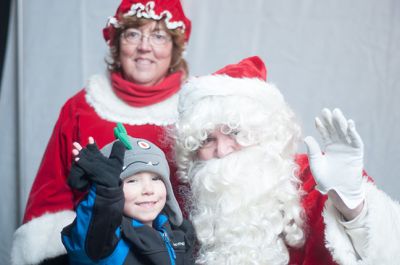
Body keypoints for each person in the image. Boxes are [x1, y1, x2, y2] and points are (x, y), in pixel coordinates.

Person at [11, 0, 191, 264]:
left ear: (174, 49)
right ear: (117, 45)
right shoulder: (81, 108)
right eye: (133, 34)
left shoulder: (194, 111)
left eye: (159, 35)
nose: (144, 46)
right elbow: (51, 191)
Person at [174, 56, 400, 265]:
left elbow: (390, 256)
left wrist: (354, 210)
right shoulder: (185, 200)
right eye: (206, 139)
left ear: (266, 133)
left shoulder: (316, 179)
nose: (222, 151)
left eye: (235, 132)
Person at [61, 126, 195, 265]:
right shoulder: (106, 240)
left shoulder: (179, 234)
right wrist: (105, 191)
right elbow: (92, 231)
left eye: (156, 178)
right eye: (132, 181)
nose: (148, 189)